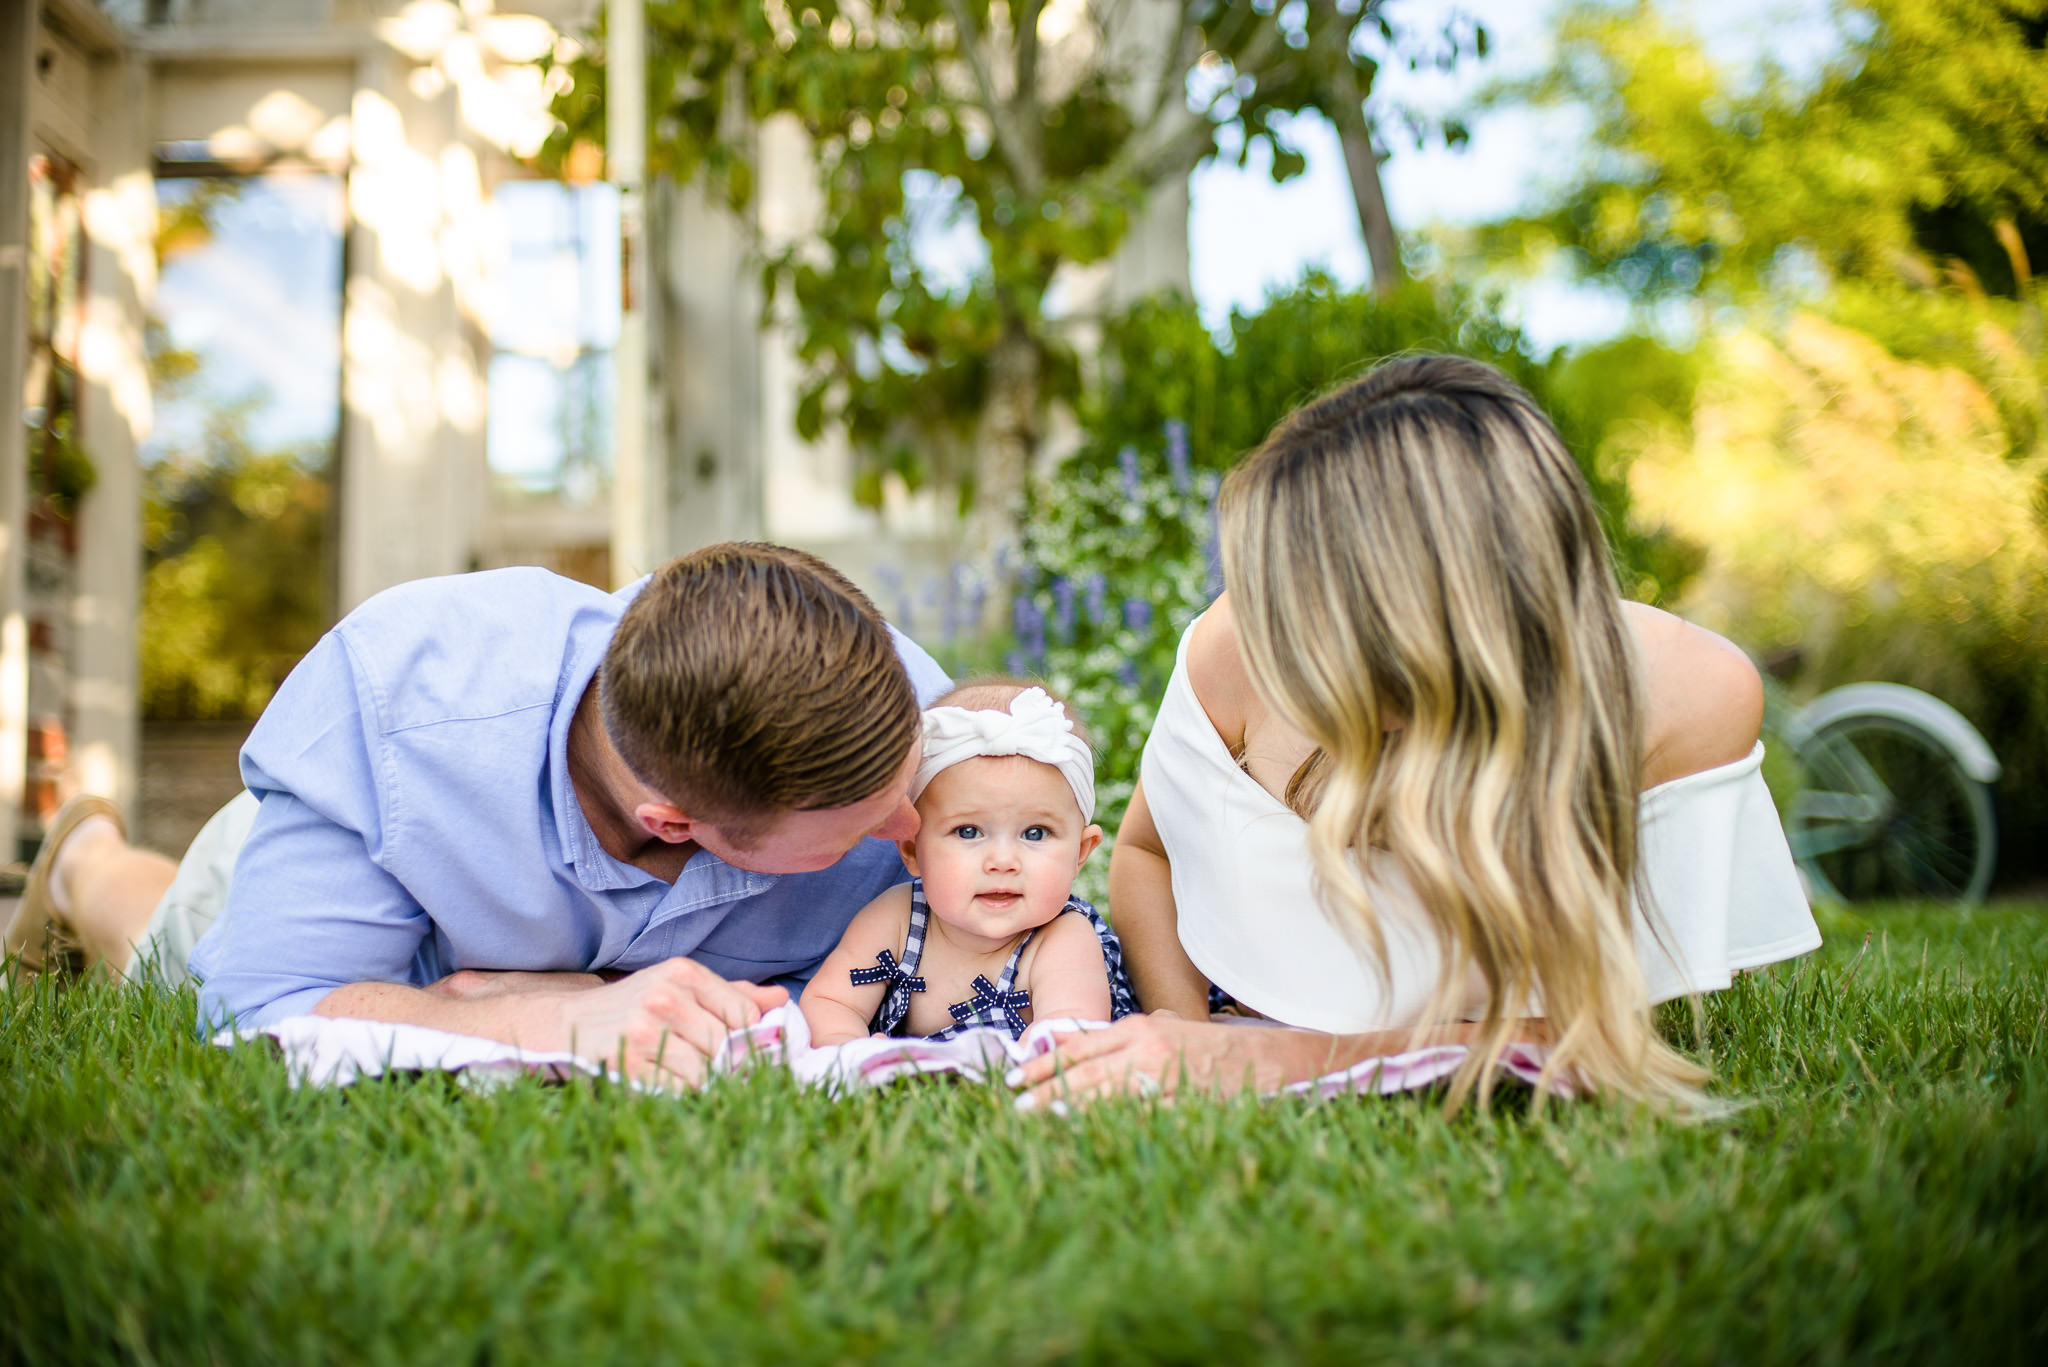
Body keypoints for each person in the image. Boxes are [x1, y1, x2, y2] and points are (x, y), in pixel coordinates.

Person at [1015, 355, 1821, 1110]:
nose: (1278, 647)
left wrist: (1274, 1059)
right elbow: (1146, 851)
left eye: (1307, 613)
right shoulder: (1242, 642)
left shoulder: (1683, 697)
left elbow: (1583, 1029)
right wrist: (1183, 1031)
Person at [3, 542, 951, 1086]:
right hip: (317, 884)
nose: (914, 831)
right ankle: (85, 857)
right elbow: (264, 1009)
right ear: (673, 821)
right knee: (158, 951)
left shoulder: (878, 700)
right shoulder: (400, 705)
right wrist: (543, 1018)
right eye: (863, 825)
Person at [800, 681, 1138, 1047]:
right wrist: (851, 1052)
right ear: (912, 850)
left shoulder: (1063, 940)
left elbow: (1067, 1037)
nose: (1003, 861)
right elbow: (832, 1001)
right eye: (968, 831)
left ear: (1080, 853)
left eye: (1035, 833)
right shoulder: (895, 921)